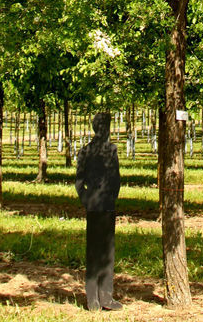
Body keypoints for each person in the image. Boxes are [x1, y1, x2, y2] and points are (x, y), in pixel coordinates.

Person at [75, 112, 122, 311]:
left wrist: (93, 199)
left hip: (100, 206)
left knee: (100, 251)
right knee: (101, 251)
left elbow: (80, 183)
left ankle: (99, 299)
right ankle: (99, 298)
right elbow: (81, 182)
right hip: (101, 206)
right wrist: (97, 200)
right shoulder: (99, 151)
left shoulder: (99, 150)